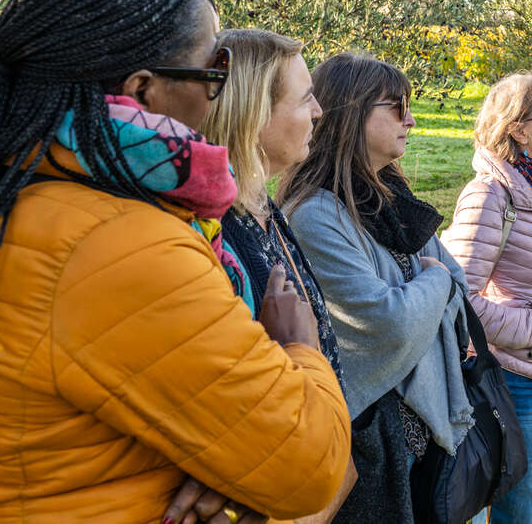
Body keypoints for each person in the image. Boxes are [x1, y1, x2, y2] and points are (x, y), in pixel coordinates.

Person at [0, 0, 350, 524]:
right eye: (214, 69)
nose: (219, 95)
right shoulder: (115, 244)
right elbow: (310, 466)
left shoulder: (7, 187)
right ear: (142, 92)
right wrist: (297, 346)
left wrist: (226, 470)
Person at [277, 51, 471, 524]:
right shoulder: (315, 215)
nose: (409, 119)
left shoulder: (392, 199)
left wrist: (435, 287)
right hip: (370, 443)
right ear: (351, 113)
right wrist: (434, 281)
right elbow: (388, 323)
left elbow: (460, 289)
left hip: (418, 436)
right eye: (395, 106)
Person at [202, 29, 355, 524]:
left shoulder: (265, 210)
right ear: (253, 116)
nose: (317, 112)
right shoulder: (213, 237)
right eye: (305, 97)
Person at [441, 72, 532, 524]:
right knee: (521, 510)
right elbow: (459, 296)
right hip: (518, 381)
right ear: (520, 129)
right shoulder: (489, 196)